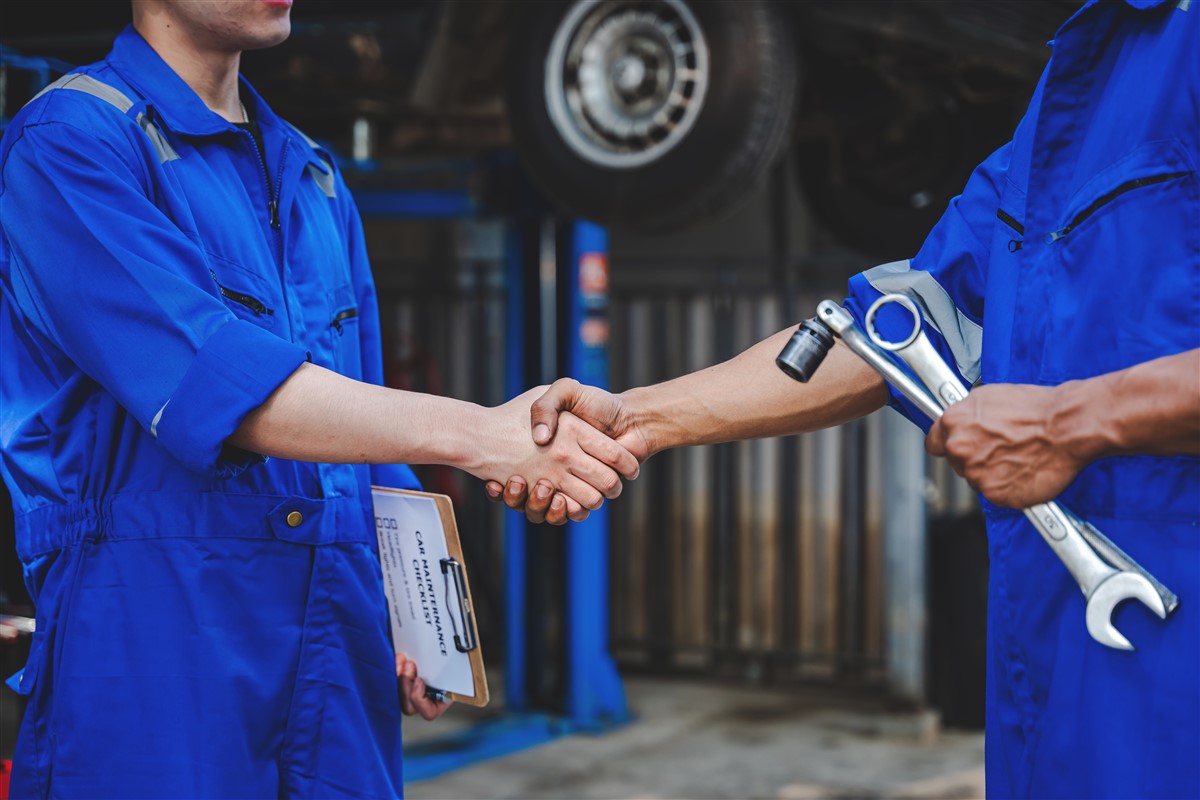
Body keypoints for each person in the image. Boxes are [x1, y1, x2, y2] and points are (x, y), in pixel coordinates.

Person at [491, 0, 1200, 797]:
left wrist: (1070, 424)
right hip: (1060, 668)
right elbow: (887, 332)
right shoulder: (1081, 83)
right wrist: (641, 417)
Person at [0, 1, 637, 797]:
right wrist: (481, 434)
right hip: (157, 633)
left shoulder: (313, 175)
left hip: (337, 633)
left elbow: (369, 425)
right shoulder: (70, 145)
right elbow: (226, 391)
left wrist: (413, 611)